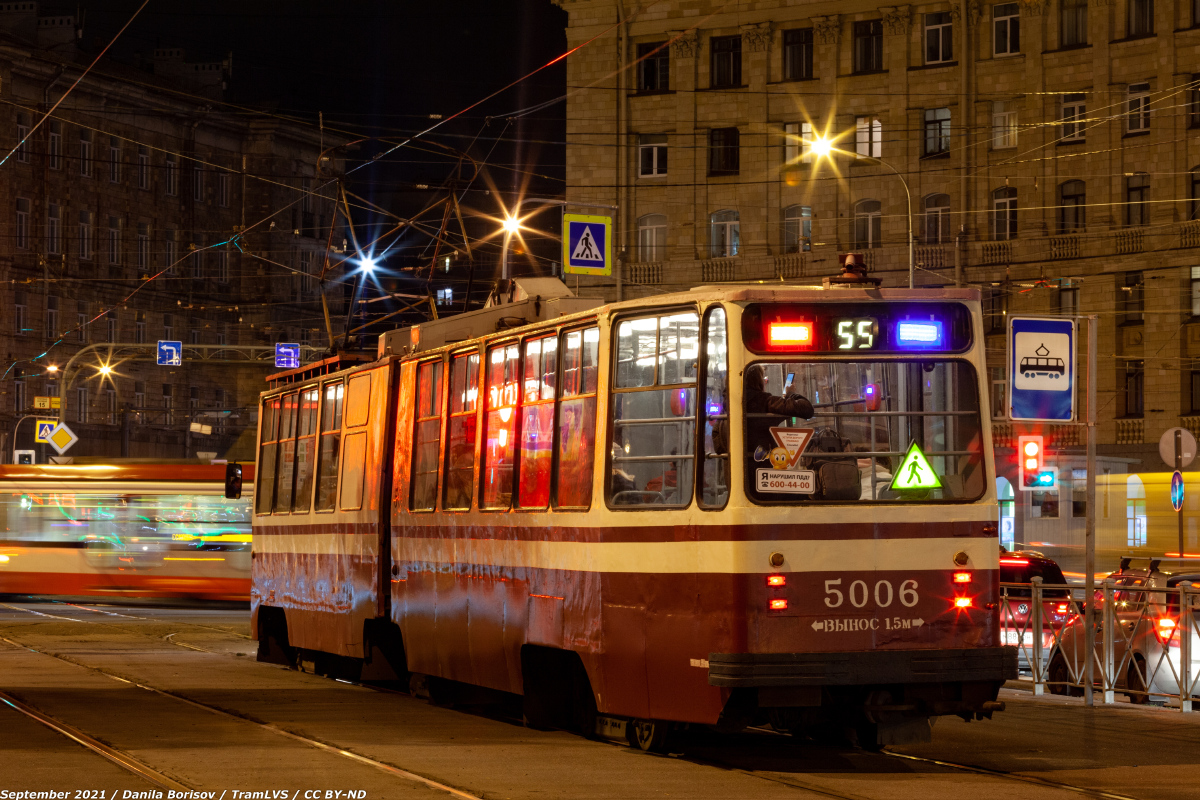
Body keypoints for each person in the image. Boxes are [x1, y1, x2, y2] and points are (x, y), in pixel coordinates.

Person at [745, 365, 814, 466]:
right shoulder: (765, 401)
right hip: (760, 463)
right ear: (758, 381)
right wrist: (791, 393)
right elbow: (806, 409)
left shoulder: (729, 403)